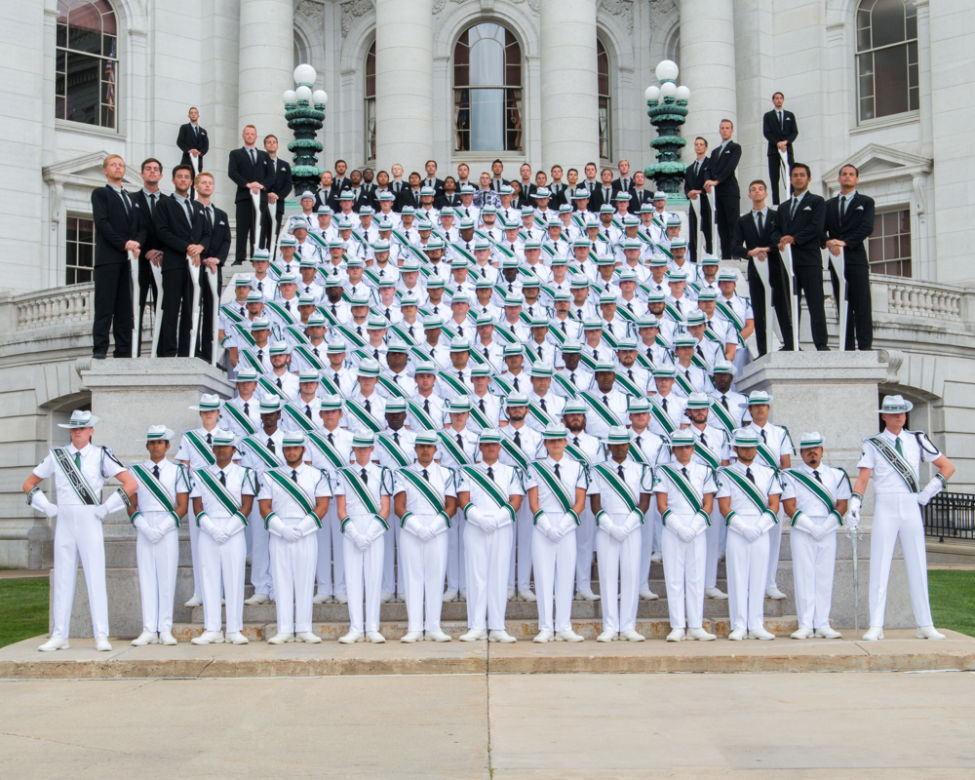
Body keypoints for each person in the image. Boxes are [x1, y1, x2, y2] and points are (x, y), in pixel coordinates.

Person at [24, 410, 136, 652]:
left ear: (91, 430)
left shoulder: (100, 454)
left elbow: (131, 483)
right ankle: (60, 635)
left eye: (82, 428)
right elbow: (28, 483)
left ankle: (101, 635)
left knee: (95, 576)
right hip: (64, 519)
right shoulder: (57, 455)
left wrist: (107, 507)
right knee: (63, 579)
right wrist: (46, 506)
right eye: (74, 428)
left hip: (90, 519)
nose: (77, 432)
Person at [849, 395, 955, 641]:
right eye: (893, 413)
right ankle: (876, 625)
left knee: (918, 564)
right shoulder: (874, 443)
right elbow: (864, 477)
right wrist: (855, 501)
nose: (899, 417)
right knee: (879, 565)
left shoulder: (917, 439)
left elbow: (947, 467)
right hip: (885, 505)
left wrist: (929, 491)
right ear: (884, 416)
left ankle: (925, 624)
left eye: (902, 413)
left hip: (910, 504)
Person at [257, 432, 330, 644]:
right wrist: (281, 529)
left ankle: (305, 628)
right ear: (283, 450)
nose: (291, 452)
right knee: (281, 582)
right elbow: (264, 507)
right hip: (280, 533)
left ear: (303, 450)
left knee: (305, 581)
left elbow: (323, 505)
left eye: (295, 448)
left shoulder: (316, 475)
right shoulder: (270, 475)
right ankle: (285, 629)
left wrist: (302, 527)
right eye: (287, 448)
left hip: (305, 533)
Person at [189, 428, 256, 645]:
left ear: (234, 450)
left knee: (234, 578)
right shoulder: (200, 474)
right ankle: (212, 628)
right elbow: (197, 506)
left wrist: (228, 528)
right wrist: (211, 528)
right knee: (209, 578)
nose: (221, 450)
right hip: (208, 531)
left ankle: (235, 628)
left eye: (225, 446)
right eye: (218, 447)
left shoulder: (245, 474)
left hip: (234, 530)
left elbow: (247, 506)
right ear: (213, 449)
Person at [456, 429, 524, 643]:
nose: (491, 448)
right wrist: (478, 518)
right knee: (476, 577)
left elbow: (516, 500)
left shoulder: (510, 472)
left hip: (501, 527)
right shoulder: (468, 471)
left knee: (499, 576)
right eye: (486, 444)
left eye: (494, 444)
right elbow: (463, 500)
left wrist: (499, 518)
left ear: (500, 447)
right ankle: (476, 625)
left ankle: (497, 626)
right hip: (476, 527)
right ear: (480, 447)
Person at [781, 432, 850, 639]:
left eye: (816, 449)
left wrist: (827, 525)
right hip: (803, 527)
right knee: (804, 576)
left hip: (828, 528)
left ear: (822, 451)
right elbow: (789, 506)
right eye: (808, 449)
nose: (812, 452)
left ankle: (822, 623)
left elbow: (842, 503)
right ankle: (805, 624)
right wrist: (811, 527)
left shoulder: (836, 475)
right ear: (801, 453)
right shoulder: (791, 475)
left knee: (824, 576)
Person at [126, 425, 190, 647]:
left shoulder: (178, 470)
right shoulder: (135, 471)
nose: (156, 446)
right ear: (147, 446)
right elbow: (131, 504)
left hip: (167, 525)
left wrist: (163, 527)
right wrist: (142, 525)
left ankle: (165, 628)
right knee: (146, 578)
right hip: (144, 528)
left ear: (167, 446)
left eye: (160, 443)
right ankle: (148, 629)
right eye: (152, 443)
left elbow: (182, 505)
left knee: (166, 578)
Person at [652, 429, 718, 642]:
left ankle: (696, 625)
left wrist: (695, 525)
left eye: (687, 446)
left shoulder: (705, 471)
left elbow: (708, 504)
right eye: (679, 447)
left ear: (693, 448)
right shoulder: (664, 471)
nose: (683, 451)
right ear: (673, 449)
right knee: (674, 578)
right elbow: (661, 504)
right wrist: (679, 526)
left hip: (697, 527)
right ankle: (678, 625)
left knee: (696, 578)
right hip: (673, 528)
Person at [717, 428, 782, 641]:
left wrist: (761, 526)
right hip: (738, 528)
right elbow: (724, 506)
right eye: (743, 447)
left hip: (760, 526)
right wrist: (743, 527)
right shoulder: (726, 473)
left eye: (751, 446)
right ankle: (738, 624)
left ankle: (756, 624)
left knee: (758, 577)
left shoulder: (769, 472)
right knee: (737, 577)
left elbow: (774, 504)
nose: (748, 450)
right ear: (736, 449)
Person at [393, 431, 457, 643]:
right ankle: (414, 627)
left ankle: (433, 626)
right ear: (415, 448)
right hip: (412, 529)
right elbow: (399, 506)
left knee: (435, 577)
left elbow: (451, 505)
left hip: (437, 529)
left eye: (429, 447)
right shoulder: (403, 473)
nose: (425, 450)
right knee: (413, 578)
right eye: (421, 446)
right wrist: (416, 526)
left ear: (436, 449)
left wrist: (435, 525)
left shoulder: (446, 473)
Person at [527, 423, 589, 643]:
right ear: (545, 443)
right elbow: (533, 503)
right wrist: (546, 525)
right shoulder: (535, 467)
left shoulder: (577, 467)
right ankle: (545, 626)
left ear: (565, 442)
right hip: (543, 525)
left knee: (565, 576)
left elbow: (580, 502)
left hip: (567, 524)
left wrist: (563, 525)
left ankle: (564, 625)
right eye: (551, 440)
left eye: (559, 440)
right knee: (543, 578)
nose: (555, 444)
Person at [589, 426, 651, 642]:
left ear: (629, 445)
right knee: (607, 577)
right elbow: (595, 504)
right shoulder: (598, 470)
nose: (620, 448)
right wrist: (610, 526)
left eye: (623, 444)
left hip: (631, 527)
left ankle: (627, 626)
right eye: (615, 444)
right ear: (609, 446)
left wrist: (627, 525)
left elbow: (644, 503)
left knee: (631, 576)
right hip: (607, 527)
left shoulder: (641, 469)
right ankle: (609, 625)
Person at [335, 431, 392, 643]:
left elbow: (385, 508)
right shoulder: (344, 474)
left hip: (374, 529)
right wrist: (354, 533)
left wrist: (370, 533)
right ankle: (356, 627)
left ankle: (373, 627)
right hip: (352, 529)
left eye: (365, 448)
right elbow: (341, 509)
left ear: (371, 449)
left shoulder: (382, 473)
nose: (361, 452)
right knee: (352, 578)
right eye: (358, 448)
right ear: (353, 450)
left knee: (374, 578)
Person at [153, 164, 211, 357]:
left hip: (194, 265)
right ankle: (168, 351)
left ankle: (188, 350)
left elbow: (206, 233)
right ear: (173, 180)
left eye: (187, 177)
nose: (183, 180)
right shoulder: (164, 204)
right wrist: (186, 247)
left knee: (191, 307)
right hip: (174, 263)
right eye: (180, 177)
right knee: (171, 308)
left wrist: (200, 247)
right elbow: (162, 232)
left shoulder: (197, 207)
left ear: (191, 182)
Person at [731, 179, 793, 354]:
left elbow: (783, 240)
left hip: (776, 266)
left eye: (760, 189)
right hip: (755, 268)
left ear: (766, 194)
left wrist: (766, 249)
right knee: (759, 308)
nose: (757, 192)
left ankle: (789, 343)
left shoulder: (777, 216)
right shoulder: (743, 221)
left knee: (783, 304)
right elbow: (734, 246)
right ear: (749, 195)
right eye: (753, 190)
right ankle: (763, 350)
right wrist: (750, 252)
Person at [91, 154, 142, 359]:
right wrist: (124, 244)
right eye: (113, 165)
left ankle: (123, 351)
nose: (118, 168)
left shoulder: (130, 197)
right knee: (105, 306)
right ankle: (100, 349)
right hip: (108, 259)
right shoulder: (100, 194)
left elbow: (139, 226)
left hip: (128, 261)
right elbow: (103, 224)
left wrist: (136, 242)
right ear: (105, 170)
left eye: (121, 165)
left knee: (124, 308)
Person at [744, 390, 794, 600]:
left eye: (763, 405)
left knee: (773, 540)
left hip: (773, 491)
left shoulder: (780, 433)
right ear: (750, 410)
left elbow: (786, 464)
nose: (760, 409)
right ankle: (748, 582)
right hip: (750, 492)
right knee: (749, 539)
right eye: (755, 406)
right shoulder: (742, 433)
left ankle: (770, 582)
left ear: (769, 408)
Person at [777, 163, 828, 350]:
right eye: (795, 175)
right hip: (789, 262)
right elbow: (776, 230)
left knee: (815, 303)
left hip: (810, 260)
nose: (798, 178)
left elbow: (816, 227)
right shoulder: (783, 208)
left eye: (802, 175)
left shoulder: (817, 202)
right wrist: (780, 240)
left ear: (808, 179)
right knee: (791, 304)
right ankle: (791, 343)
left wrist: (795, 239)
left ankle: (821, 344)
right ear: (790, 179)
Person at [825, 163, 875, 350]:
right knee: (842, 303)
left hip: (856, 259)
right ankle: (847, 346)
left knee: (861, 304)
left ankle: (864, 346)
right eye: (844, 174)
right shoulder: (828, 205)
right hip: (836, 260)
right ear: (839, 179)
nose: (847, 177)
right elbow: (819, 229)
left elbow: (866, 228)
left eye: (851, 174)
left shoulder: (866, 202)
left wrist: (844, 243)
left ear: (856, 179)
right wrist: (828, 242)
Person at [193, 171, 231, 363]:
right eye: (204, 183)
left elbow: (226, 241)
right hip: (196, 264)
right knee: (194, 307)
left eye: (210, 183)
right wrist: (203, 256)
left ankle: (208, 351)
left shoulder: (221, 214)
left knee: (212, 309)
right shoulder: (191, 210)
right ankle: (194, 348)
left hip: (215, 267)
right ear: (196, 187)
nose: (207, 186)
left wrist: (218, 259)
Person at [228, 124, 274, 264]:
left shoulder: (264, 155)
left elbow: (271, 175)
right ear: (243, 136)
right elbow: (233, 172)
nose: (249, 136)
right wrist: (247, 185)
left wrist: (262, 186)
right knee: (242, 228)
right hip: (244, 197)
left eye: (252, 134)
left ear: (256, 136)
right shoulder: (235, 154)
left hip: (261, 197)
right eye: (247, 133)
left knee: (259, 227)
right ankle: (239, 258)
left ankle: (257, 256)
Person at [131, 158, 164, 351]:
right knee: (136, 305)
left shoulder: (169, 202)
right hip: (140, 261)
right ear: (142, 174)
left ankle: (162, 350)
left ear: (160, 175)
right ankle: (132, 349)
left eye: (156, 169)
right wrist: (145, 252)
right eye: (148, 169)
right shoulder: (132, 199)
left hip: (163, 261)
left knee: (164, 306)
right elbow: (130, 229)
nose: (152, 172)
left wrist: (162, 252)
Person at [704, 119, 742, 259]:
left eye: (727, 128)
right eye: (722, 128)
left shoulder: (735, 148)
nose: (725, 130)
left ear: (731, 131)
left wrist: (716, 180)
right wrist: (708, 181)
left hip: (730, 191)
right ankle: (726, 255)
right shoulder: (715, 152)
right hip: (717, 193)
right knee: (721, 225)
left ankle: (735, 254)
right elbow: (708, 168)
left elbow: (730, 167)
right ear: (719, 130)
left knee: (733, 224)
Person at [762, 92, 798, 205]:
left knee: (791, 173)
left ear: (783, 100)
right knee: (774, 177)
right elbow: (766, 132)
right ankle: (776, 203)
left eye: (780, 98)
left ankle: (793, 199)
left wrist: (785, 142)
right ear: (773, 101)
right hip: (773, 150)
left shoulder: (790, 115)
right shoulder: (768, 116)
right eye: (776, 98)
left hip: (787, 149)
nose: (778, 100)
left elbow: (794, 132)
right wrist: (777, 143)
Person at [684, 137, 713, 261]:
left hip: (706, 203)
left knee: (708, 232)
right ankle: (694, 260)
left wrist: (700, 192)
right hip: (693, 203)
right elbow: (686, 187)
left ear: (705, 147)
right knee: (693, 233)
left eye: (701, 144)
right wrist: (689, 193)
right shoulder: (690, 168)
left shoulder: (711, 164)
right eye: (696, 144)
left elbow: (710, 183)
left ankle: (711, 258)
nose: (699, 146)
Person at [264, 134, 293, 252]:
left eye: (274, 142)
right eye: (269, 142)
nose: (272, 144)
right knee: (263, 232)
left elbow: (288, 184)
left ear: (277, 145)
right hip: (264, 203)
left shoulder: (285, 165)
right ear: (265, 146)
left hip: (278, 203)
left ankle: (273, 257)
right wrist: (267, 194)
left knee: (275, 232)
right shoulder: (261, 164)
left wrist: (278, 196)